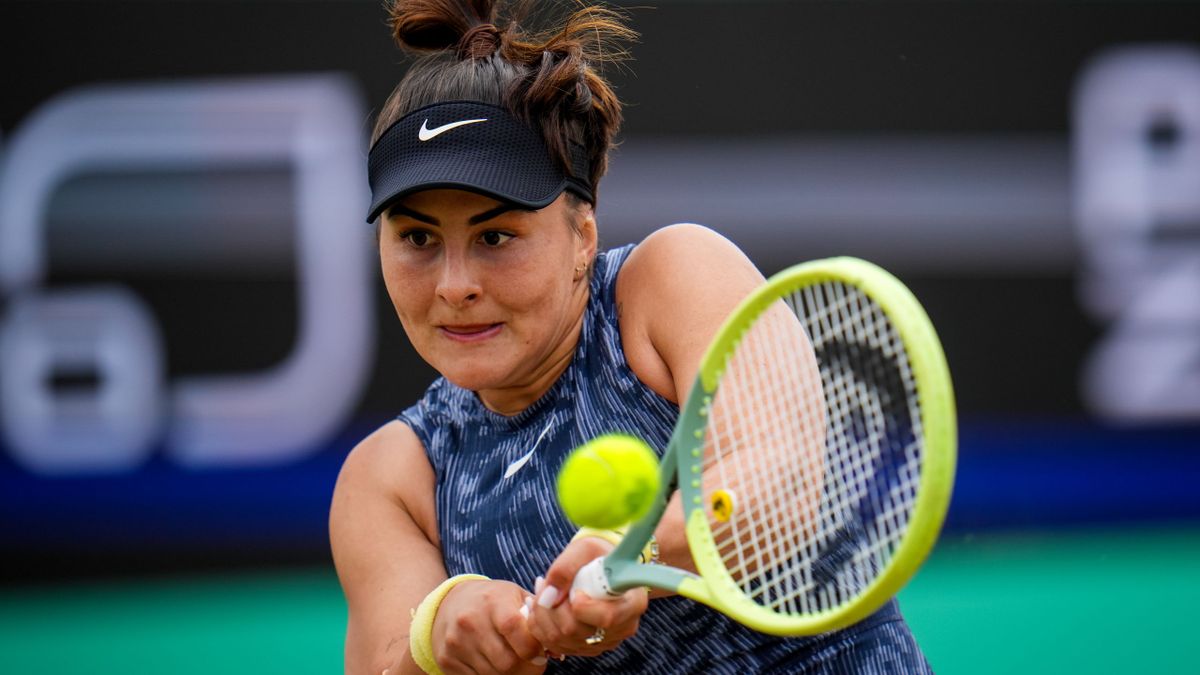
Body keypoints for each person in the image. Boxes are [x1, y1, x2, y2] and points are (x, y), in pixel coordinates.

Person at [330, 1, 934, 673]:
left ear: (582, 236)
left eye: (495, 236)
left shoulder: (670, 281)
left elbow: (781, 484)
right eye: (417, 238)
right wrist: (443, 631)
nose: (454, 286)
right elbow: (390, 657)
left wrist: (631, 550)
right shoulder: (389, 480)